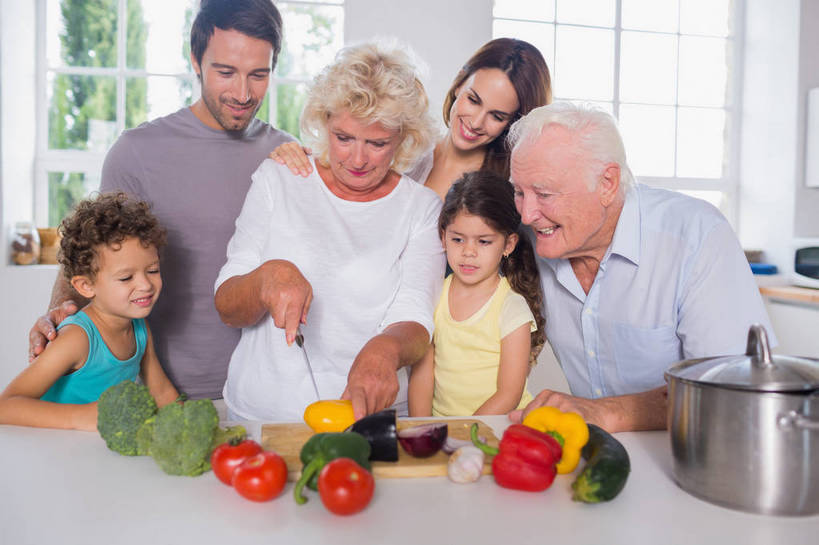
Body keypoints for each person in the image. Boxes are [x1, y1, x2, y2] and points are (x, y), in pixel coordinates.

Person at [27, 0, 294, 400]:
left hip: (264, 394)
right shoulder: (138, 152)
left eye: (259, 74)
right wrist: (61, 312)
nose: (242, 92)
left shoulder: (287, 157)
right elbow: (93, 253)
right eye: (226, 72)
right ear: (195, 60)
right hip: (160, 393)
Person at [506, 102, 776, 432]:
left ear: (607, 183)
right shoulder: (528, 239)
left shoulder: (696, 235)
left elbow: (733, 385)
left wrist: (605, 412)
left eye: (544, 194)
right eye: (519, 191)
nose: (526, 214)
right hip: (596, 453)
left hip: (693, 452)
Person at [213, 42, 444, 421]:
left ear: (404, 138)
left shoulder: (420, 209)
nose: (357, 159)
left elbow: (416, 319)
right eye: (344, 137)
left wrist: (386, 348)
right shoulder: (280, 179)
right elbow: (227, 306)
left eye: (377, 143)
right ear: (325, 122)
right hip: (260, 414)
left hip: (366, 418)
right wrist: (267, 278)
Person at [270, 38, 551, 199]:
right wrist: (295, 156)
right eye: (473, 99)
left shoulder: (505, 187)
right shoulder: (405, 148)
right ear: (458, 85)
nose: (476, 121)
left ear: (512, 123)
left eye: (497, 116)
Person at [0, 194, 179, 430]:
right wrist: (82, 417)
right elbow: (6, 406)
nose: (145, 285)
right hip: (52, 453)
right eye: (126, 277)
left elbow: (162, 393)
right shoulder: (77, 338)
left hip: (96, 452)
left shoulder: (139, 328)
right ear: (86, 286)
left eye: (153, 270)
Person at [407, 171, 545, 417]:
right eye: (458, 239)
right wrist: (422, 430)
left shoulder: (511, 308)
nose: (468, 252)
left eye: (483, 242)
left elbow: (509, 394)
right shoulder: (435, 294)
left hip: (498, 426)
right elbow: (421, 377)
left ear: (508, 245)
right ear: (443, 237)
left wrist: (464, 433)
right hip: (446, 433)